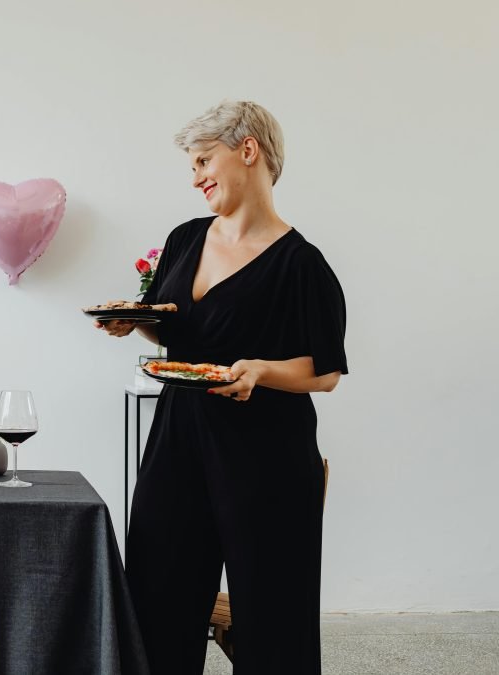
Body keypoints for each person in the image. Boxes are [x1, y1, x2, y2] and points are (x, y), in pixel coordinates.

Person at [97, 100, 347, 674]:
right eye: (192, 166)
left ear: (248, 150)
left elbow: (327, 371)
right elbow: (178, 330)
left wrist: (261, 370)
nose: (196, 178)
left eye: (204, 161)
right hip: (178, 438)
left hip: (266, 451)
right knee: (158, 594)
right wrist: (134, 320)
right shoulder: (185, 239)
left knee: (272, 613)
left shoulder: (301, 264)